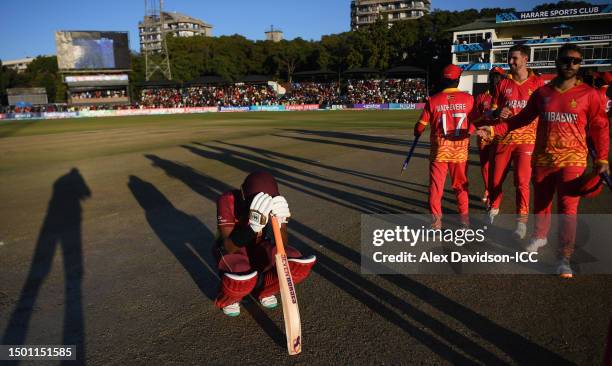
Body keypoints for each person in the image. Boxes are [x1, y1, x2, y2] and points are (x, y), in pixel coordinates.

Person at [477, 43, 610, 278]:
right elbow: (520, 119)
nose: (571, 64)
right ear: (557, 61)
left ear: (580, 64)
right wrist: (494, 130)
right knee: (541, 204)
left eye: (576, 61)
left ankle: (564, 257)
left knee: (567, 210)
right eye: (566, 59)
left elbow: (600, 127)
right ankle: (539, 236)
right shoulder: (543, 93)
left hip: (573, 160)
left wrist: (602, 157)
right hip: (543, 159)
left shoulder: (589, 94)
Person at [214, 171, 316, 316]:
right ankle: (229, 299)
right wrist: (252, 228)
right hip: (233, 249)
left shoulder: (273, 200)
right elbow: (229, 247)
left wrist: (282, 223)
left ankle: (264, 290)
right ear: (243, 196)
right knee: (240, 275)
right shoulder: (227, 199)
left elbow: (282, 245)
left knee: (294, 263)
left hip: (257, 245)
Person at [487, 45, 545, 240]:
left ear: (525, 59)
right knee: (494, 181)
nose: (510, 62)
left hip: (528, 141)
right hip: (503, 139)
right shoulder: (502, 84)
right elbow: (491, 111)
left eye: (514, 58)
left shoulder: (538, 83)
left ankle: (521, 222)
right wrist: (497, 113)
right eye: (509, 59)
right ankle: (494, 207)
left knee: (522, 181)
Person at [414, 64, 474, 228]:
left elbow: (419, 127)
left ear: (442, 80)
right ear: (458, 80)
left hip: (439, 151)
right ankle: (464, 222)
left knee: (436, 187)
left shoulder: (433, 100)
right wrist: (469, 132)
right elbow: (476, 121)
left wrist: (417, 132)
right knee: (461, 186)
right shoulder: (469, 99)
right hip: (460, 151)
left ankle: (436, 222)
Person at [470, 66, 506, 204]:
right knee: (485, 165)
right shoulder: (481, 97)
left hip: (501, 135)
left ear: (503, 79)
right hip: (484, 136)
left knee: (498, 166)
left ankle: (496, 190)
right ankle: (487, 189)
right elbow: (474, 118)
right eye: (493, 76)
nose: (495, 79)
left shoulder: (506, 95)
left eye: (498, 76)